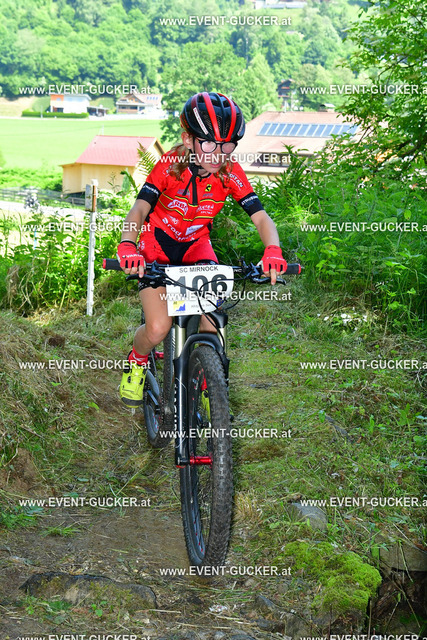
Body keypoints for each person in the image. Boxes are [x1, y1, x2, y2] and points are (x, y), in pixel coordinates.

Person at [116, 91, 287, 407]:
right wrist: (128, 244)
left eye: (227, 145)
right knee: (158, 328)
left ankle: (210, 382)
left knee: (213, 317)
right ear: (188, 139)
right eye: (208, 143)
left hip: (196, 245)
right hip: (157, 245)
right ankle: (137, 360)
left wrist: (272, 250)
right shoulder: (170, 165)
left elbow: (261, 217)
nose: (218, 154)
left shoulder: (229, 171)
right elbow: (139, 209)